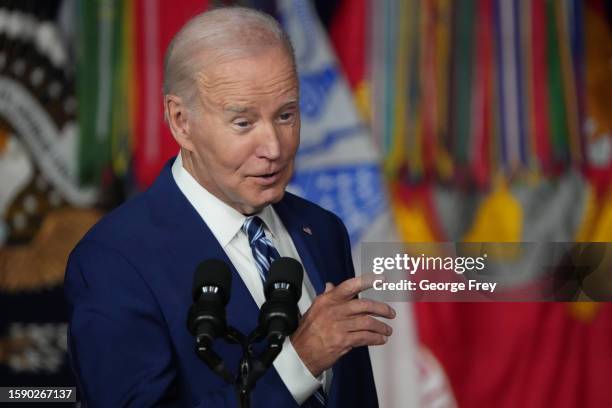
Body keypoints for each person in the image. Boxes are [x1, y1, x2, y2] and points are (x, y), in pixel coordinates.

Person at [64, 7, 395, 407]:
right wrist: (298, 363)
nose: (273, 148)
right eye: (243, 123)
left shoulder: (322, 229)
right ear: (181, 121)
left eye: (286, 115)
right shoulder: (113, 261)